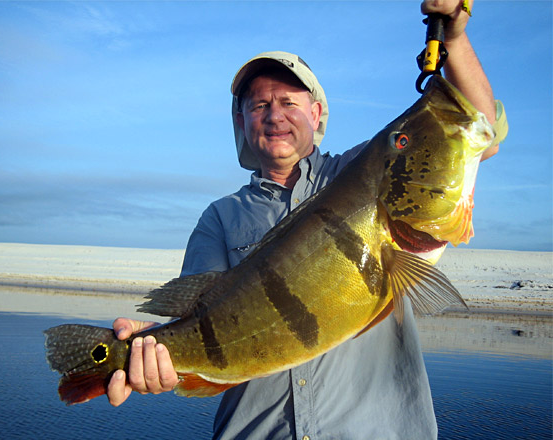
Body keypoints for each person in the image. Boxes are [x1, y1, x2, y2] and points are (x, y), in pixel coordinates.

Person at [107, 1, 507, 438]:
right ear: (242, 122)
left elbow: (479, 125)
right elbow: (198, 319)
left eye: (287, 102)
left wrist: (453, 37)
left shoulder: (358, 171)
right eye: (259, 105)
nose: (274, 115)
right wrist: (152, 355)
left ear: (315, 115)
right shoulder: (219, 218)